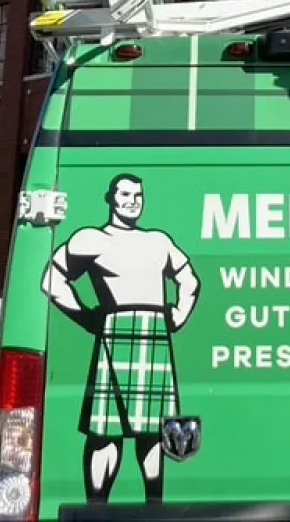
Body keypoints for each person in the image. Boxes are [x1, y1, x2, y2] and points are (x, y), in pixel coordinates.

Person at [42, 173, 200, 505]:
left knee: (155, 433)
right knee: (105, 434)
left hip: (154, 334)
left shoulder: (158, 241)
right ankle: (97, 507)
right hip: (115, 333)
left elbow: (189, 280)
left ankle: (154, 506)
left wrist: (180, 314)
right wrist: (86, 317)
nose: (132, 201)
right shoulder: (92, 239)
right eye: (125, 194)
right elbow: (52, 279)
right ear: (111, 198)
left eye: (138, 195)